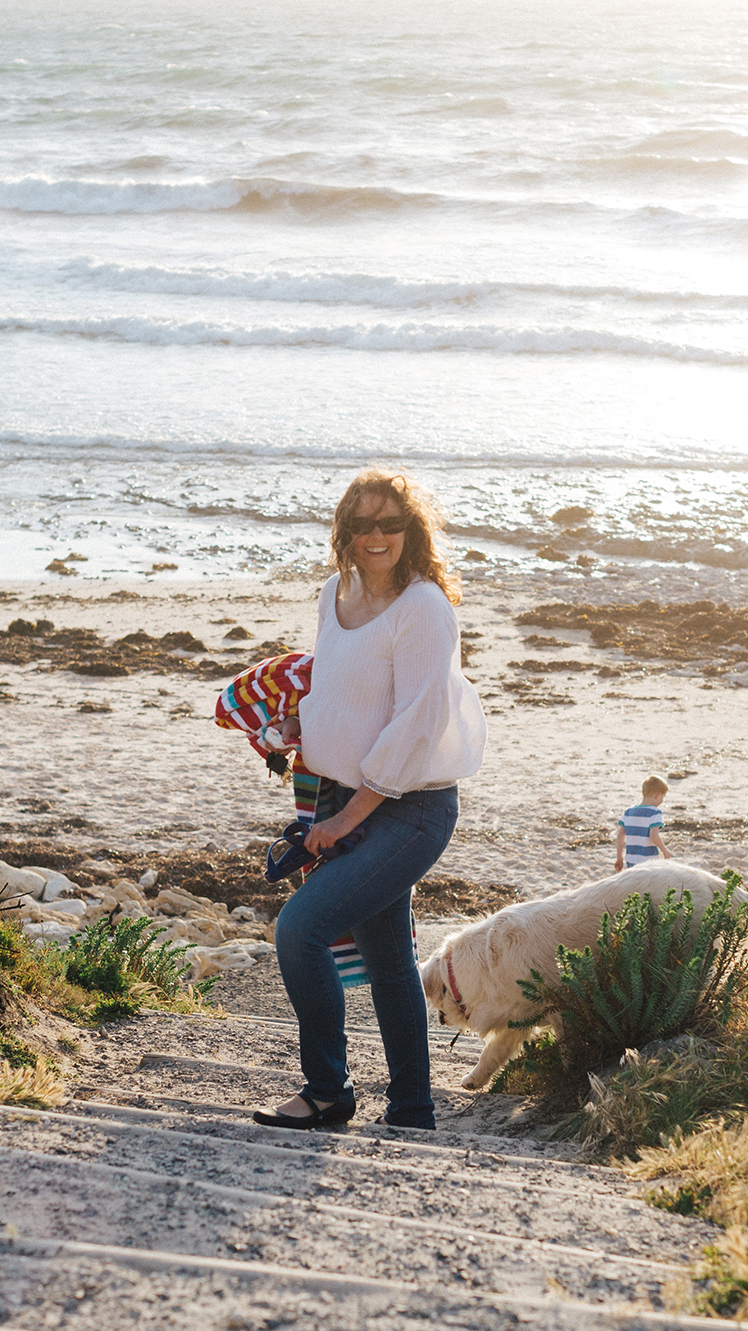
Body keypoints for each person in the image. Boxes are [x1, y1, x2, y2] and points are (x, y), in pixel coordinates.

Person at [252, 469, 485, 1132]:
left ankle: (328, 1091)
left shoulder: (424, 609)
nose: (376, 535)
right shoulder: (336, 594)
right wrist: (296, 729)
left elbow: (417, 722)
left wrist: (346, 822)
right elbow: (339, 690)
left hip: (408, 811)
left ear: (411, 531)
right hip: (339, 797)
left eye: (390, 523)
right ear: (345, 534)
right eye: (363, 524)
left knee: (301, 930)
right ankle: (412, 1109)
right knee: (388, 964)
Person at [614, 775, 672, 872]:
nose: (662, 800)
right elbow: (654, 835)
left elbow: (620, 836)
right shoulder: (655, 812)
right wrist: (665, 851)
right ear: (657, 795)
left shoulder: (628, 811)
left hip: (631, 860)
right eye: (663, 796)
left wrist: (619, 857)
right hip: (648, 861)